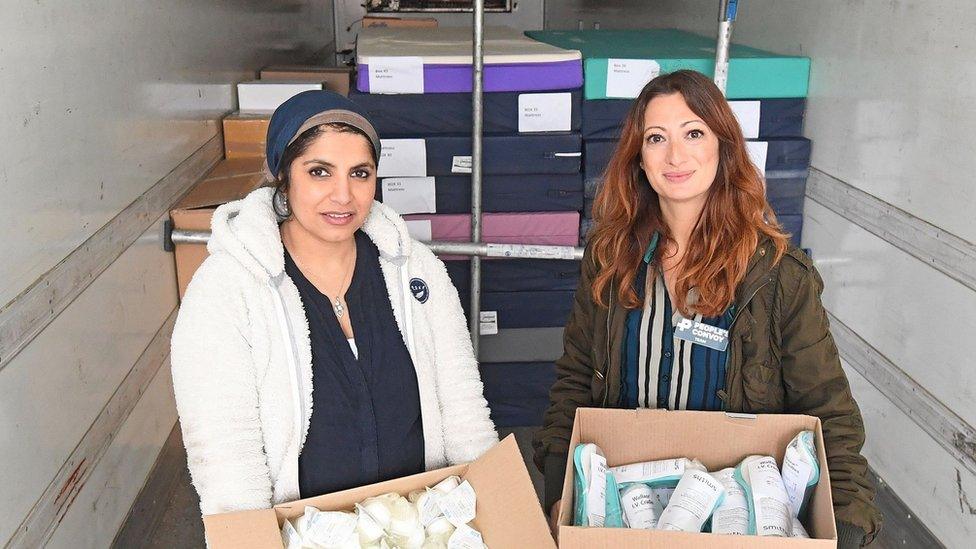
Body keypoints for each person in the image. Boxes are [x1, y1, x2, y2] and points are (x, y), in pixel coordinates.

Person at [533, 70, 881, 547]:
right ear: (638, 157)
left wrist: (848, 526)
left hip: (734, 519)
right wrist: (561, 491)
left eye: (693, 133)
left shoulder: (777, 276)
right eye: (656, 138)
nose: (675, 156)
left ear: (723, 145)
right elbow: (574, 380)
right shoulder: (610, 261)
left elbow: (829, 414)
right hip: (625, 510)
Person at [171, 91, 497, 516]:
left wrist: (496, 514)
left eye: (360, 173)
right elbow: (225, 455)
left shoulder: (415, 271)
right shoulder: (227, 289)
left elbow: (464, 412)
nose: (343, 196)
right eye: (320, 172)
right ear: (283, 177)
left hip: (420, 527)